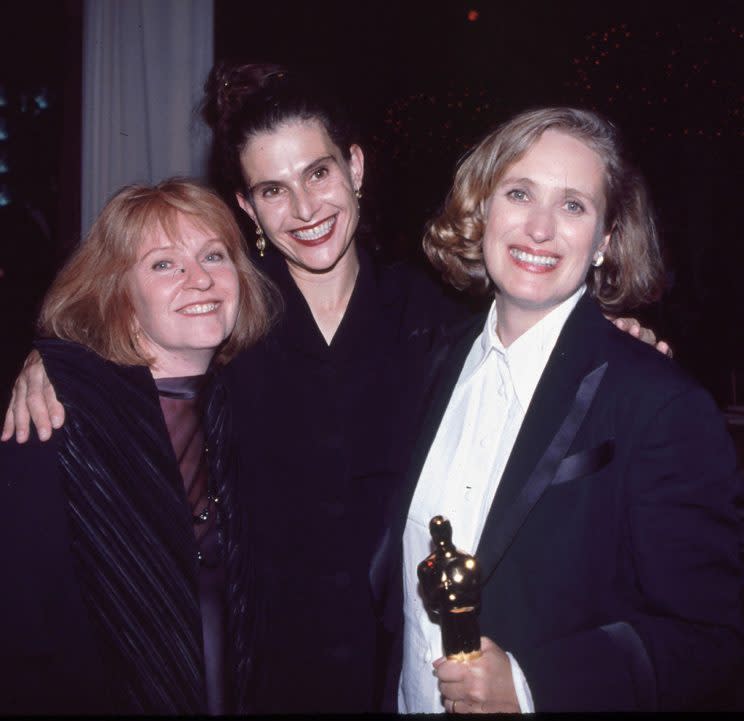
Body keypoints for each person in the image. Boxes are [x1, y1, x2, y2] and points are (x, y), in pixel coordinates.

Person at [0, 67, 669, 713]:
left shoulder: (433, 316)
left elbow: (532, 353)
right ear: (247, 205)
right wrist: (56, 360)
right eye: (272, 189)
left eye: (318, 173)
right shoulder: (228, 319)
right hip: (260, 674)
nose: (304, 208)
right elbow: (136, 346)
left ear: (354, 166)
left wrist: (604, 338)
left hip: (401, 673)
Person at [374, 107, 744, 712]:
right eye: (519, 193)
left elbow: (711, 634)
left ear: (603, 241)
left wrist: (531, 686)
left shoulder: (660, 403)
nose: (540, 228)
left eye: (573, 205)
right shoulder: (434, 362)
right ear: (483, 209)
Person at [0, 179, 275, 714]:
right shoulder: (58, 421)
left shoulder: (240, 409)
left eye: (213, 255)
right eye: (164, 264)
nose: (199, 279)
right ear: (120, 295)